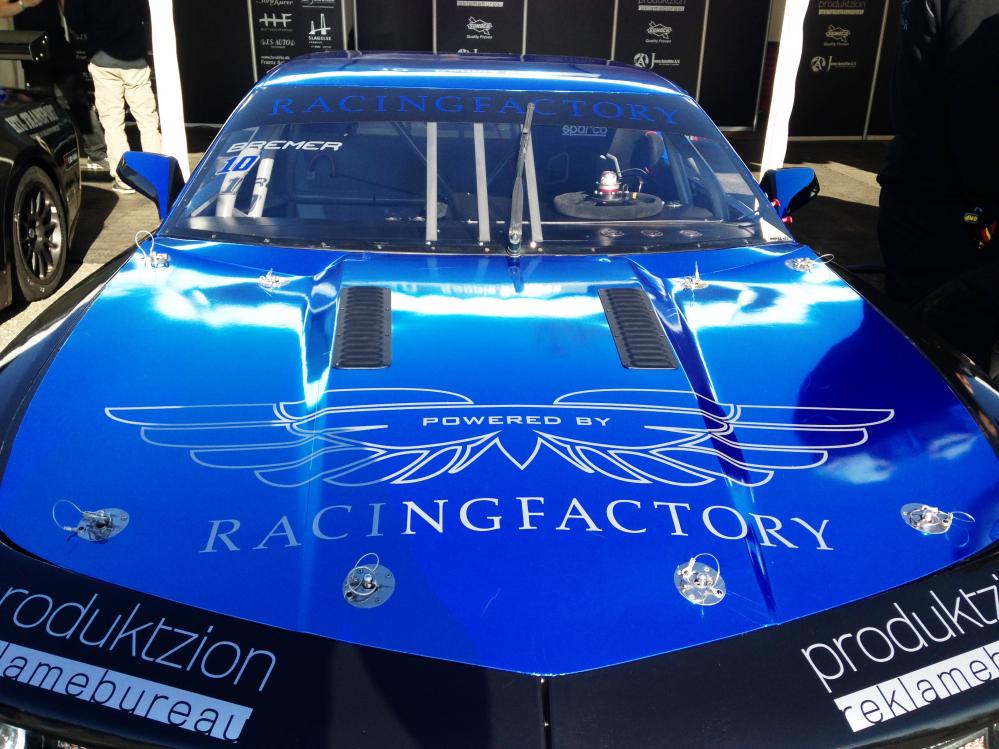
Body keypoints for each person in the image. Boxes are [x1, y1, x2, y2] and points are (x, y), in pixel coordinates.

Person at [878, 0, 999, 372]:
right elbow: (978, 121)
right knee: (947, 365)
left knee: (913, 349)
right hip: (949, 217)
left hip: (920, 201)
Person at [64, 0, 161, 194]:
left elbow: (74, 22)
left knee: (113, 123)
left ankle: (125, 180)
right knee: (147, 120)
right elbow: (147, 11)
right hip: (134, 56)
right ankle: (157, 173)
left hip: (103, 60)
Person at [11, 0, 109, 170]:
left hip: (58, 43)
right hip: (32, 52)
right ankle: (51, 159)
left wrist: (73, 22)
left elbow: (64, 5)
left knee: (78, 100)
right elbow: (2, 9)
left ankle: (98, 152)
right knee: (42, 109)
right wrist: (24, 4)